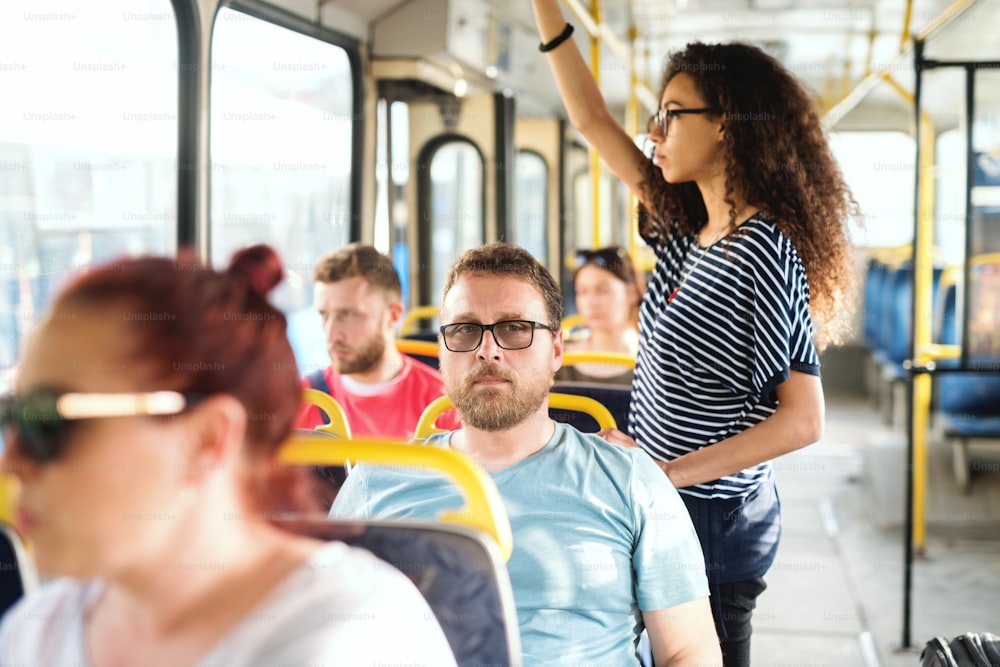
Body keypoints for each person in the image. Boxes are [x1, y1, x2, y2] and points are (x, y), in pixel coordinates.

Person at [530, 5, 857, 665]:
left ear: (726, 122)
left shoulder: (763, 250)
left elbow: (803, 420)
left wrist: (662, 471)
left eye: (672, 114)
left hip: (713, 514)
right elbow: (592, 121)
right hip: (674, 496)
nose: (654, 132)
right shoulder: (689, 231)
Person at [0, 245, 457, 666]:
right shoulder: (37, 630)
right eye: (11, 417)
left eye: (49, 421)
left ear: (206, 440)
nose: (10, 465)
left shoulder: (351, 635)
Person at [332, 242, 722, 666]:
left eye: (514, 327)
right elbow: (329, 635)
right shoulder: (377, 482)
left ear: (556, 350)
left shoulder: (629, 481)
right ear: (442, 353)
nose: (488, 350)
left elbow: (688, 651)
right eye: (464, 329)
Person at [295, 243, 458, 438]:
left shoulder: (443, 405)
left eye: (348, 315)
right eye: (324, 315)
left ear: (393, 315)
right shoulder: (301, 402)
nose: (331, 335)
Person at [557, 245, 644, 385]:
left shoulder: (654, 359)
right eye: (583, 292)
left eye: (603, 291)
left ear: (632, 292)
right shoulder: (558, 358)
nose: (591, 302)